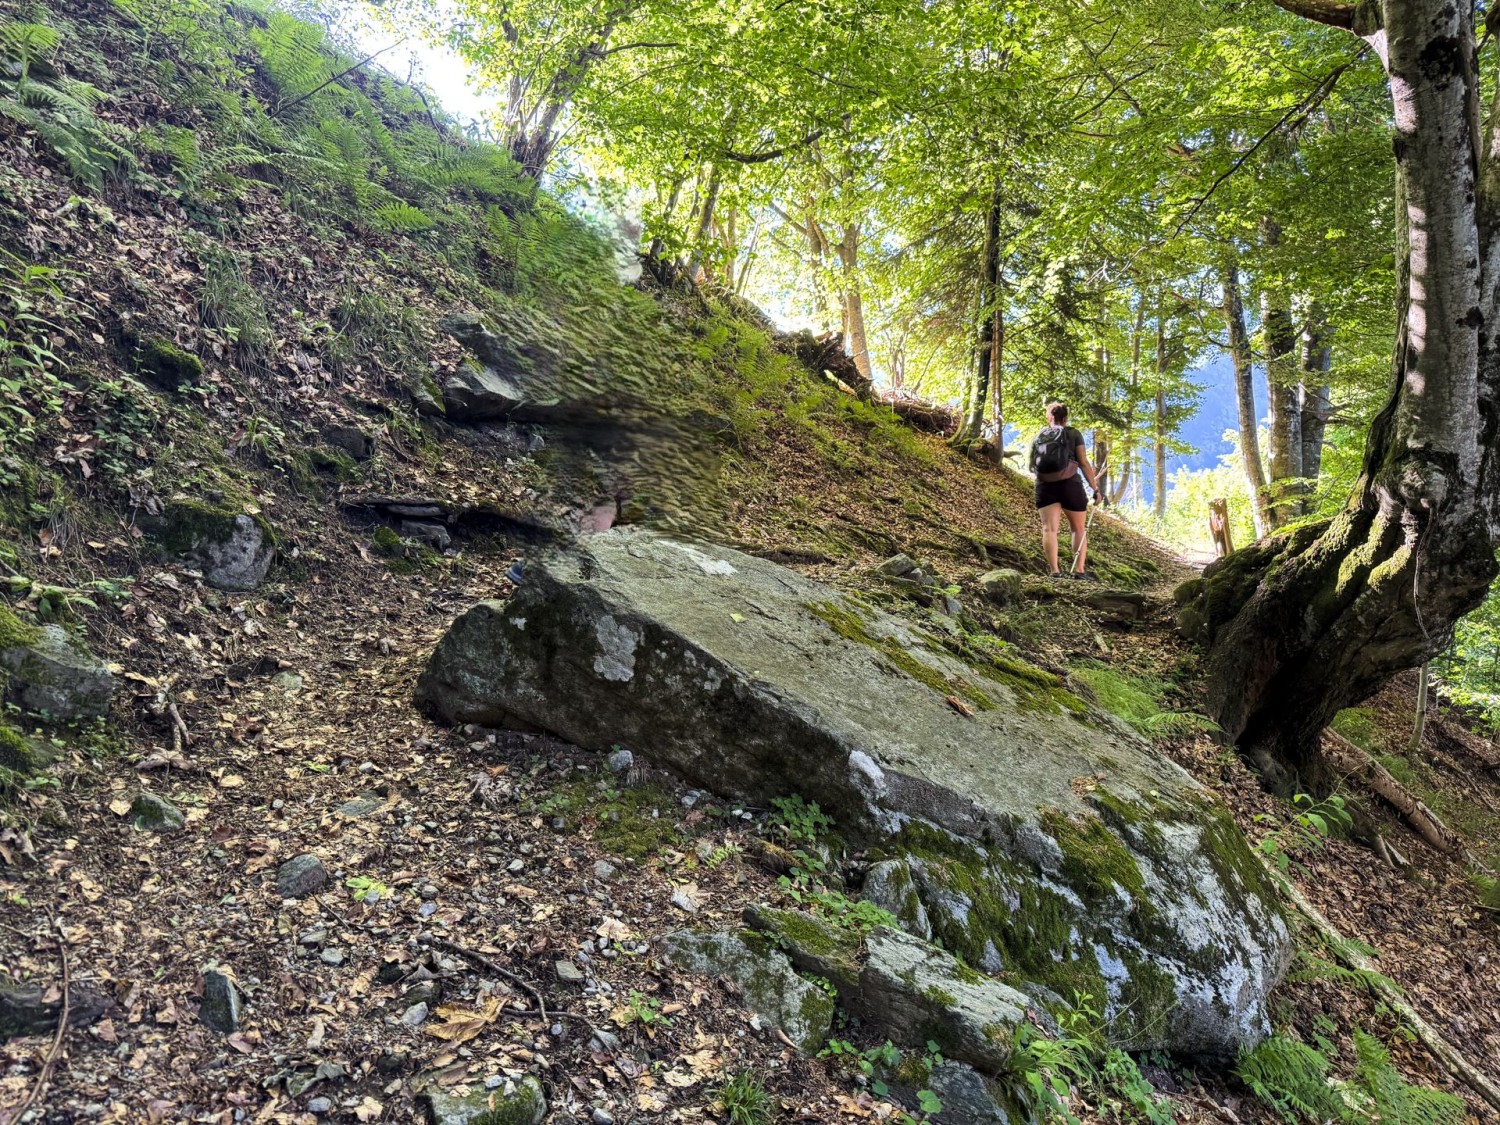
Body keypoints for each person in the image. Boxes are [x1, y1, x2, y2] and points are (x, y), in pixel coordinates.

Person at [1029, 402, 1101, 579]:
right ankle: (1079, 571)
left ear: (1049, 417)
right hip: (1070, 484)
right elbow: (1083, 462)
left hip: (1045, 485)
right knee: (1078, 528)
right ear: (1066, 417)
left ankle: (1054, 571)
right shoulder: (1073, 433)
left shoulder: (1039, 435)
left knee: (1049, 529)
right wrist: (1095, 488)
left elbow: (1032, 464)